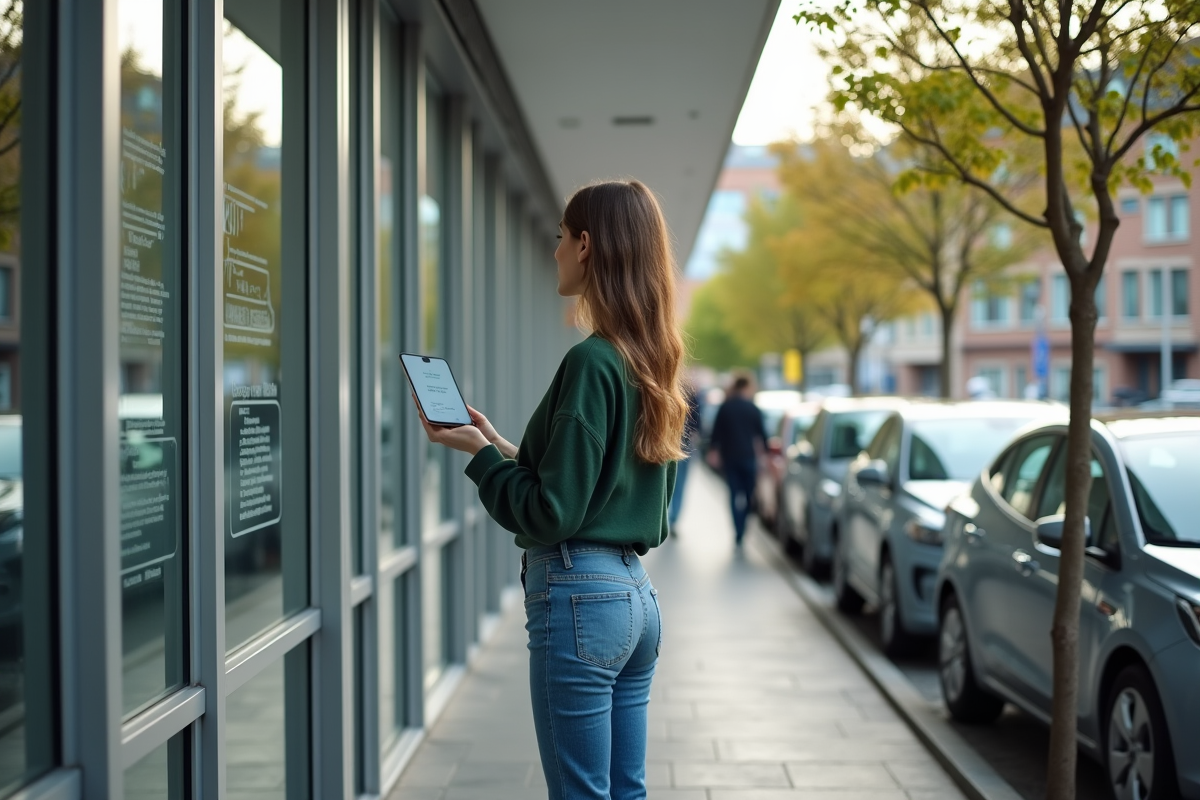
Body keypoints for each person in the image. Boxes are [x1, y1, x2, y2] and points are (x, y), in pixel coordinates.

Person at [415, 180, 686, 800]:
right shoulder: (650, 359)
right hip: (635, 599)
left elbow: (551, 513)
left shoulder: (592, 360)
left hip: (580, 598)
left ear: (586, 244)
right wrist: (501, 444)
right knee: (625, 793)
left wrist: (481, 458)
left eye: (561, 236)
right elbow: (599, 485)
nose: (556, 250)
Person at [706, 373, 767, 547]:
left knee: (733, 494)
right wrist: (766, 454)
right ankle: (743, 526)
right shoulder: (752, 408)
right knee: (748, 495)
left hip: (730, 457)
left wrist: (713, 452)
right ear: (746, 387)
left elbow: (715, 433)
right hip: (748, 457)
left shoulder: (726, 407)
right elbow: (762, 434)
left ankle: (737, 529)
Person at [667, 385, 702, 534]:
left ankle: (666, 517)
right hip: (684, 443)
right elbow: (697, 424)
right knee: (680, 484)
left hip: (666, 443)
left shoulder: (666, 389)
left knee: (665, 482)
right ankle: (673, 519)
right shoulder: (691, 395)